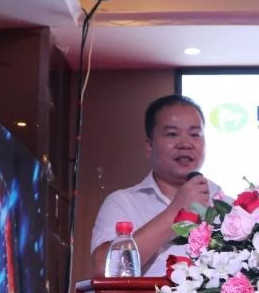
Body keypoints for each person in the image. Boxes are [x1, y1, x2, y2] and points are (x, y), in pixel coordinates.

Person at [90, 94, 221, 276]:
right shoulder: (123, 203)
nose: (185, 144)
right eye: (172, 134)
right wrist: (176, 212)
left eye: (194, 134)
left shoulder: (226, 206)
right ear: (149, 146)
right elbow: (103, 270)